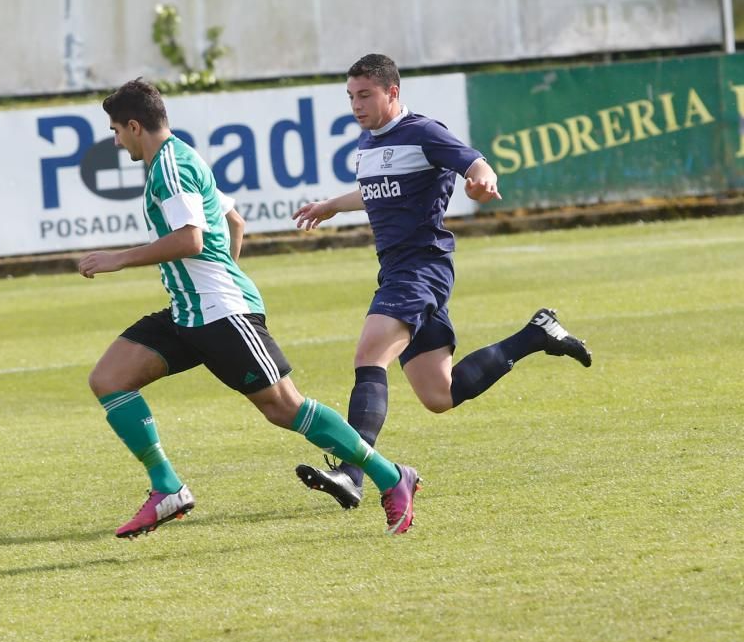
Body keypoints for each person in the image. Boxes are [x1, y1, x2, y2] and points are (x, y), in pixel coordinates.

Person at [80, 78, 422, 538]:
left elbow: (192, 239)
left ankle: (389, 476)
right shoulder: (177, 159)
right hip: (190, 310)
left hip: (220, 312)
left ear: (135, 126)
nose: (116, 140)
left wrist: (119, 258)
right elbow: (232, 219)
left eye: (117, 130)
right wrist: (220, 276)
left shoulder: (172, 168)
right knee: (109, 379)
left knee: (285, 408)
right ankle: (168, 488)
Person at [292, 54, 592, 510]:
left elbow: (476, 165)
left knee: (369, 355)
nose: (356, 104)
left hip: (420, 268)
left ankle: (353, 473)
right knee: (439, 394)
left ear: (392, 93)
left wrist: (480, 184)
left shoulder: (424, 132)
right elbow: (377, 189)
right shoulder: (369, 142)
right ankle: (536, 334)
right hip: (399, 271)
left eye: (365, 95)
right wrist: (332, 204)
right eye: (351, 96)